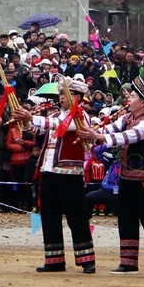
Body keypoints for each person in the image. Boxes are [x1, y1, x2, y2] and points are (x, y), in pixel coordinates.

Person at [77, 77, 144, 276]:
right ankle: (129, 262)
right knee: (126, 218)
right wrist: (90, 132)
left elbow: (129, 136)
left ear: (143, 102)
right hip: (127, 177)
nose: (128, 99)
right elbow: (110, 129)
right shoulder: (126, 118)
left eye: (132, 96)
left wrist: (100, 137)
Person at [13, 77, 96, 274]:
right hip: (49, 171)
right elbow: (39, 129)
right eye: (60, 94)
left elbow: (57, 124)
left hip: (69, 174)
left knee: (76, 216)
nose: (61, 98)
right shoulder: (59, 114)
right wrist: (25, 121)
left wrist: (31, 117)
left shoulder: (80, 116)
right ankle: (54, 259)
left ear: (76, 96)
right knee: (49, 216)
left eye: (64, 94)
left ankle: (86, 259)